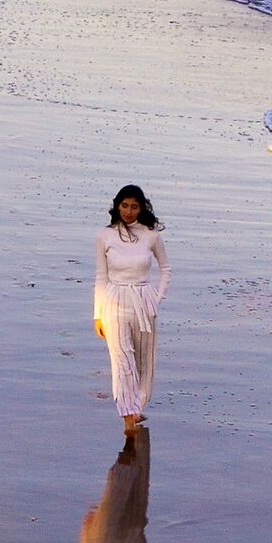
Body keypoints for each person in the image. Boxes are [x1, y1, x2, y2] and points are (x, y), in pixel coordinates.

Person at [94, 185, 171, 434]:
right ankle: (127, 413)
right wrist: (98, 314)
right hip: (114, 299)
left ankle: (138, 405)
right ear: (117, 206)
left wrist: (156, 298)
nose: (128, 211)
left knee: (143, 360)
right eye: (124, 206)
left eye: (134, 206)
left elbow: (166, 269)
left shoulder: (151, 235)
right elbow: (100, 277)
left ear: (142, 208)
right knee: (121, 358)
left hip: (143, 299)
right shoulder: (105, 236)